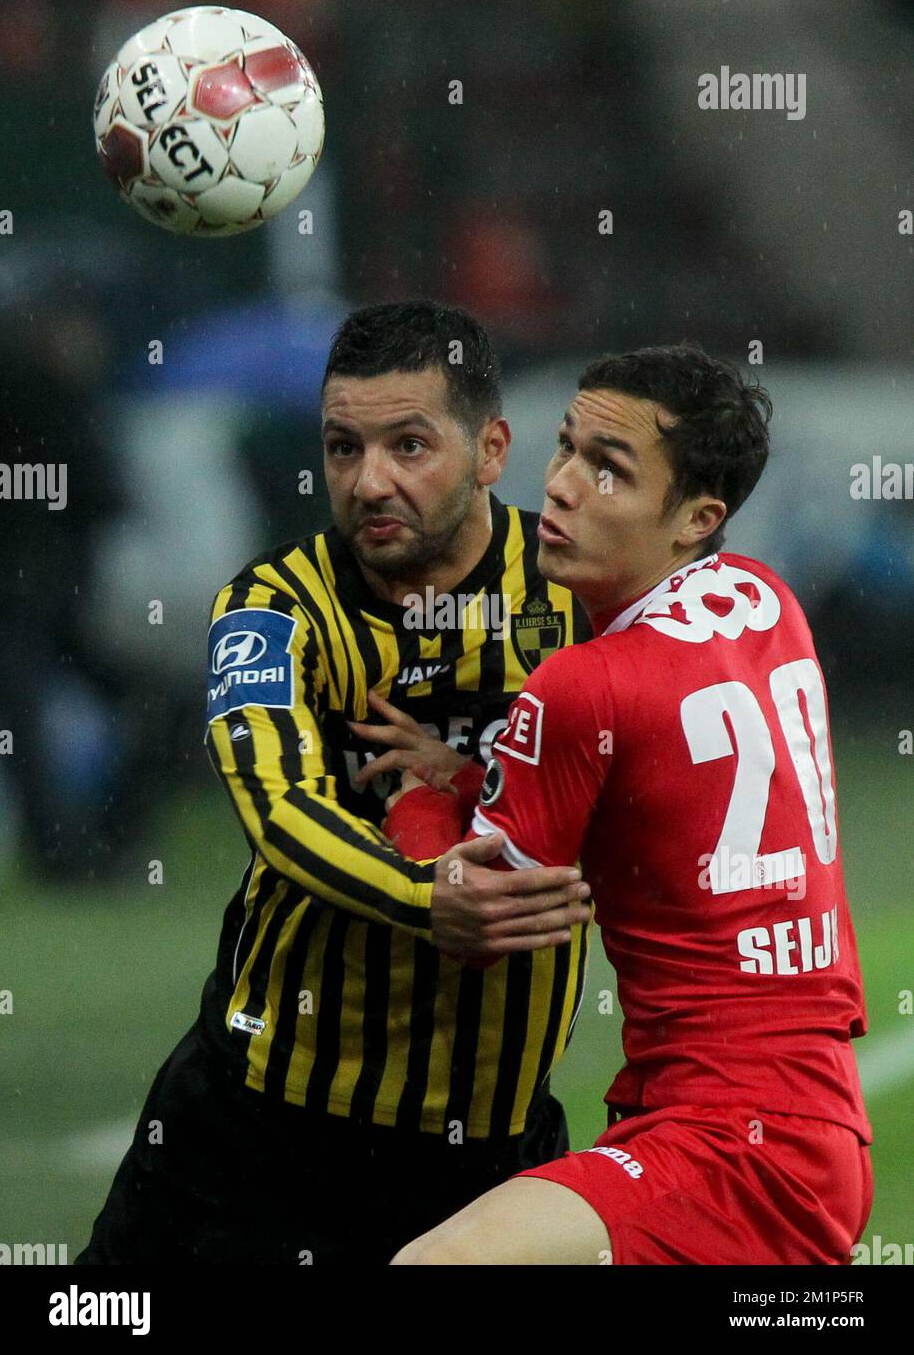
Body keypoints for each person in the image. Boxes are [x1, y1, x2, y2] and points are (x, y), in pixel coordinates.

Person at [75, 300, 592, 1266]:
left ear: (490, 450)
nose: (370, 482)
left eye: (409, 445)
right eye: (343, 447)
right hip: (256, 1127)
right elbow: (277, 806)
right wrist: (425, 893)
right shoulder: (271, 607)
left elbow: (661, 788)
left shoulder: (584, 594)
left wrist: (475, 771)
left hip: (487, 1145)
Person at [382, 344, 872, 1265]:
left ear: (697, 517)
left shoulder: (583, 686)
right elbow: (661, 789)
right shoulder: (769, 601)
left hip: (728, 1145)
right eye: (565, 449)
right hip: (810, 1121)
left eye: (606, 471)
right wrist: (472, 772)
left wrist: (417, 803)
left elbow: (484, 919)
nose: (559, 486)